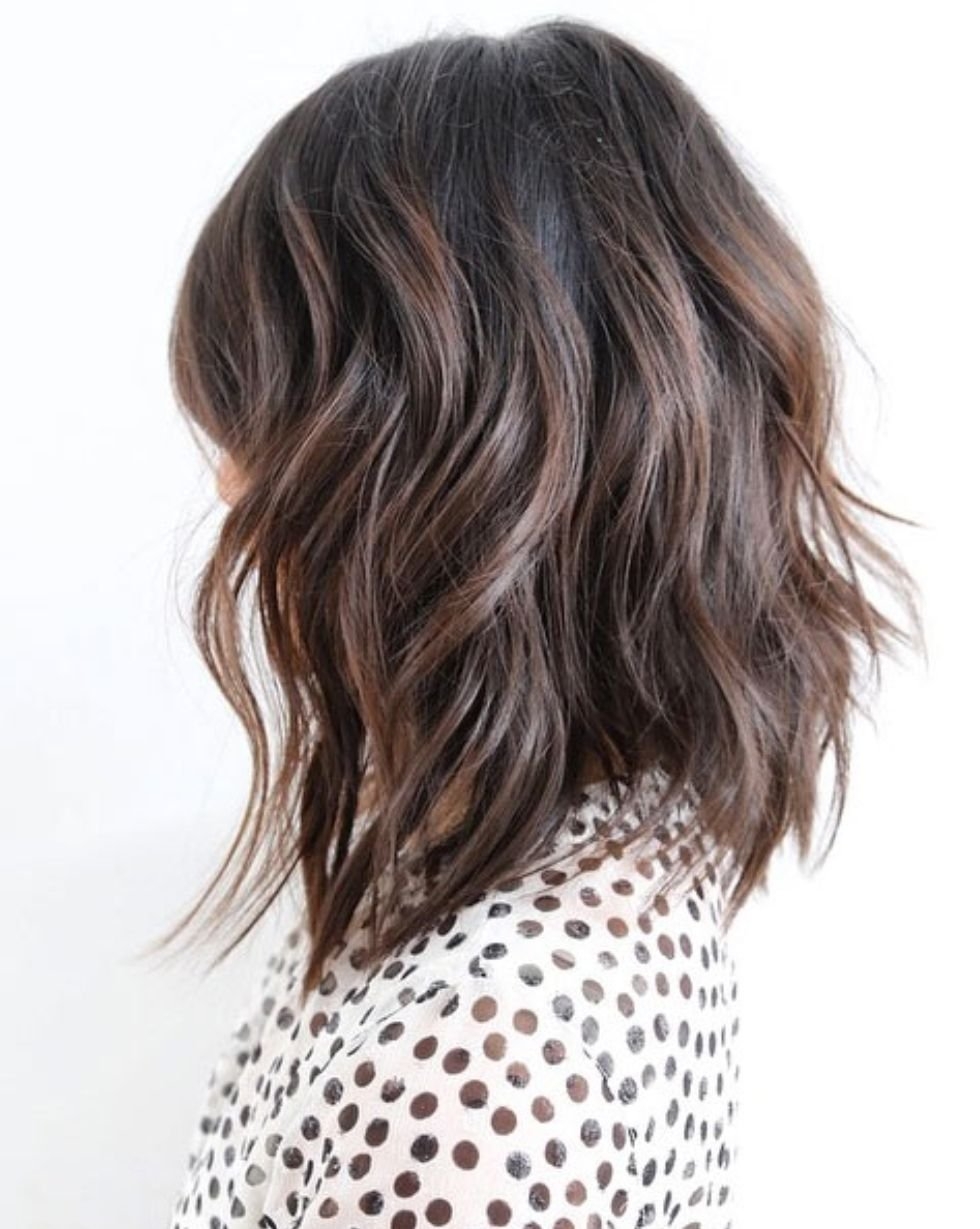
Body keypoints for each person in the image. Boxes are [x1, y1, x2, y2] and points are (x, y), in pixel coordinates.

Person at [150, 17, 923, 1229]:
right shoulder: (607, 835)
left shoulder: (460, 1077)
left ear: (451, 483)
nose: (231, 487)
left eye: (262, 426)